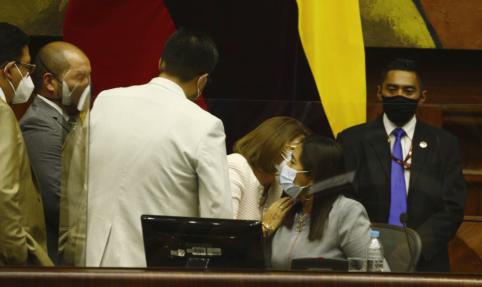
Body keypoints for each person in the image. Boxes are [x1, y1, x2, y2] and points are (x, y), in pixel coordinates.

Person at [86, 29, 233, 267]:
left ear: (161, 62)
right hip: (155, 268)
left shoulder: (106, 100)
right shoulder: (205, 126)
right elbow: (217, 215)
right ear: (202, 80)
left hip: (92, 258)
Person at [337, 58, 465, 272]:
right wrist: (368, 245)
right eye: (392, 89)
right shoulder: (352, 140)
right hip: (364, 257)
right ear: (379, 93)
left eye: (408, 91)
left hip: (425, 261)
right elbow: (344, 199)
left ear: (422, 97)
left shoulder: (444, 143)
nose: (399, 96)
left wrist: (411, 249)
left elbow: (452, 207)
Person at [19, 41, 91, 264]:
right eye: (79, 77)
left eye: (90, 76)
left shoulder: (69, 118)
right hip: (56, 258)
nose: (88, 84)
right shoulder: (39, 124)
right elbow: (57, 201)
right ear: (50, 82)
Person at [265, 135, 378, 270]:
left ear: (312, 177)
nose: (285, 166)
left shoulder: (347, 211)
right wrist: (264, 231)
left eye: (292, 162)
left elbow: (374, 271)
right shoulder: (286, 208)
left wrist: (339, 275)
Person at [0, 22, 52, 266]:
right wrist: (17, 257)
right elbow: (3, 189)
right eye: (27, 69)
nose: (29, 78)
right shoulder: (1, 113)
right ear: (10, 69)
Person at [228, 116, 311, 220]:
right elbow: (225, 231)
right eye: (292, 149)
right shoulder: (235, 165)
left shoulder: (276, 184)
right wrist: (266, 228)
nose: (294, 156)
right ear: (272, 142)